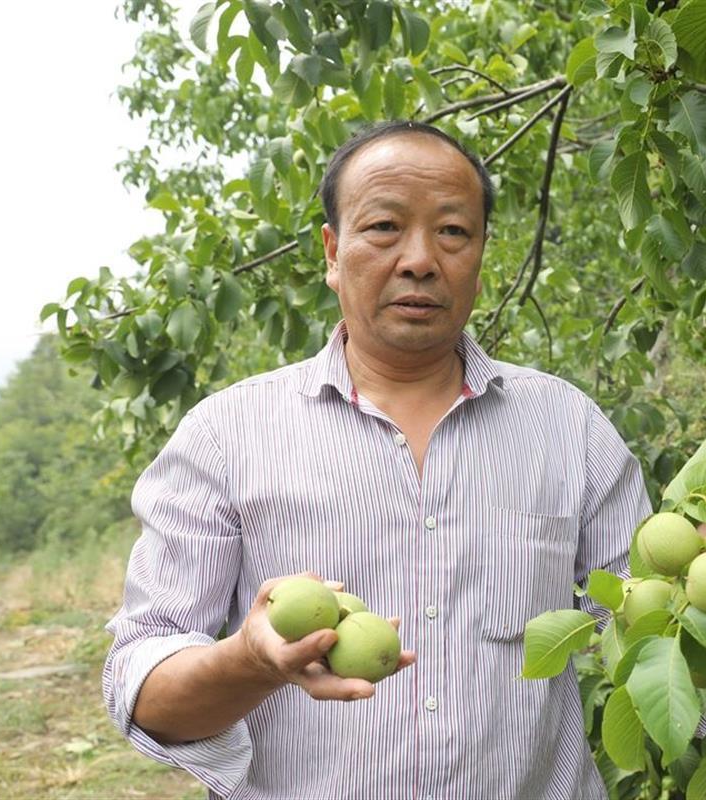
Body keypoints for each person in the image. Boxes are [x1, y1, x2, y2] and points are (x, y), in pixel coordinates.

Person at [103, 121, 652, 799]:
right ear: (332, 253)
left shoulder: (569, 428)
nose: (420, 259)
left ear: (481, 256)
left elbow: (648, 623)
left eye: (453, 232)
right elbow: (143, 689)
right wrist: (252, 661)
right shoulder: (227, 435)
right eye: (385, 227)